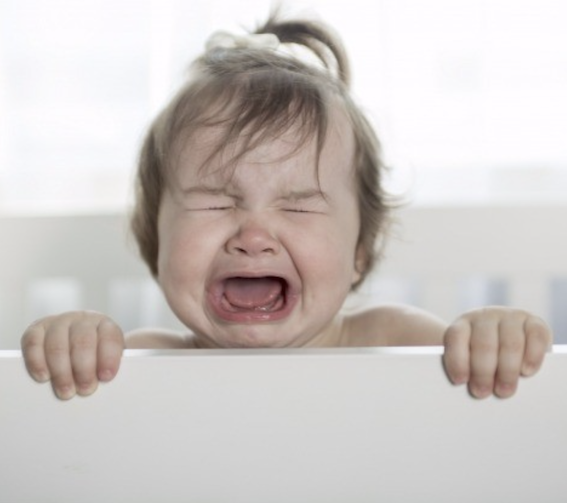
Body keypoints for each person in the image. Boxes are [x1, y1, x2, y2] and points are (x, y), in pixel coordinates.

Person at [21, 13, 551, 401]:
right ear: (156, 242)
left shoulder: (398, 342)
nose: (253, 236)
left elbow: (491, 387)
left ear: (360, 251)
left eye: (297, 208)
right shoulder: (135, 365)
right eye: (214, 203)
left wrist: (492, 337)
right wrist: (73, 346)